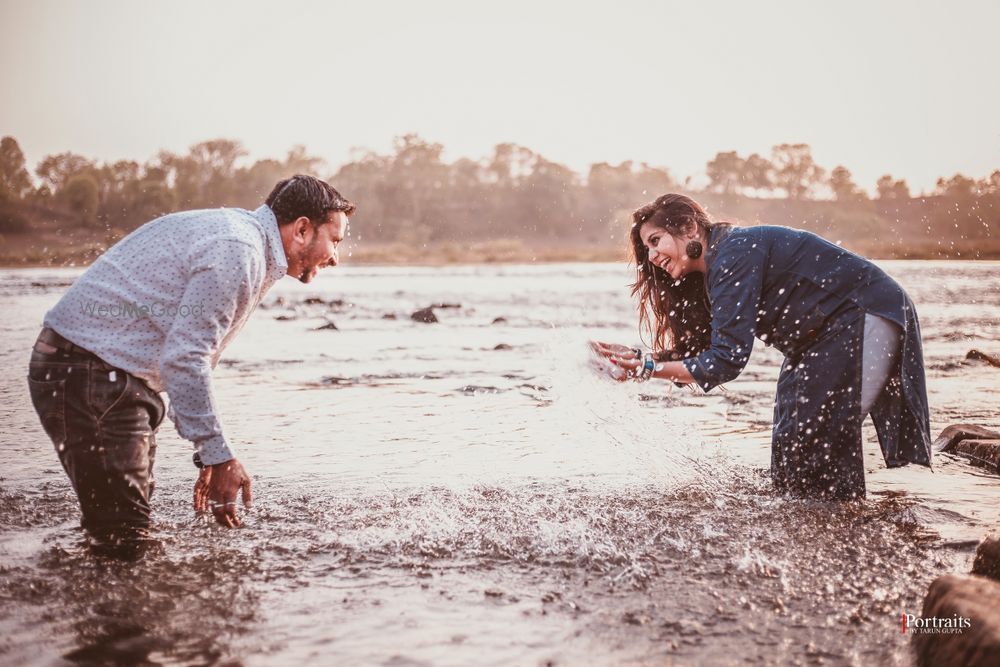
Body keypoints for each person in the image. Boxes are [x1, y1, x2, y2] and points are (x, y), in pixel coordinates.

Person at [27, 175, 354, 552]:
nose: (335, 257)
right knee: (126, 539)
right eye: (335, 240)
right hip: (91, 374)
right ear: (301, 229)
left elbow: (184, 355)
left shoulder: (243, 242)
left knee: (121, 526)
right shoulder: (238, 251)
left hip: (103, 376)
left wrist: (207, 455)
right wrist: (220, 454)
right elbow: (185, 359)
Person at [592, 193, 932, 499]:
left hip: (863, 313)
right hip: (817, 339)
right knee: (789, 449)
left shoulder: (732, 254)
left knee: (817, 442)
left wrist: (646, 370)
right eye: (647, 249)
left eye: (655, 241)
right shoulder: (717, 267)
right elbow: (709, 351)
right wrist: (642, 359)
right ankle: (815, 533)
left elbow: (727, 360)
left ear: (689, 227)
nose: (651, 256)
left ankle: (843, 535)